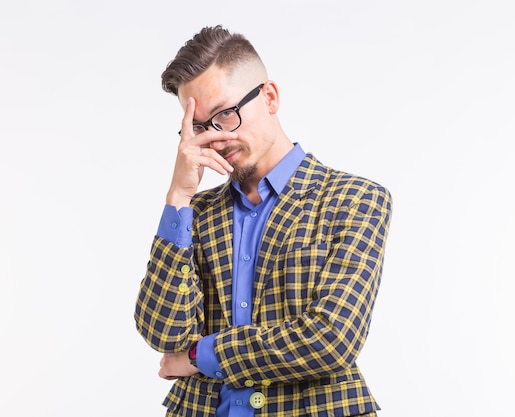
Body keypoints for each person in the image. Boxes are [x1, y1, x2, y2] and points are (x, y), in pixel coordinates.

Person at [134, 25, 392, 417]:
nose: (215, 138)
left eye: (225, 114)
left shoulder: (354, 199)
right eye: (200, 127)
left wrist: (200, 355)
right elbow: (163, 332)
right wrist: (179, 197)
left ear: (269, 97)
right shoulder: (195, 214)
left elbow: (331, 339)